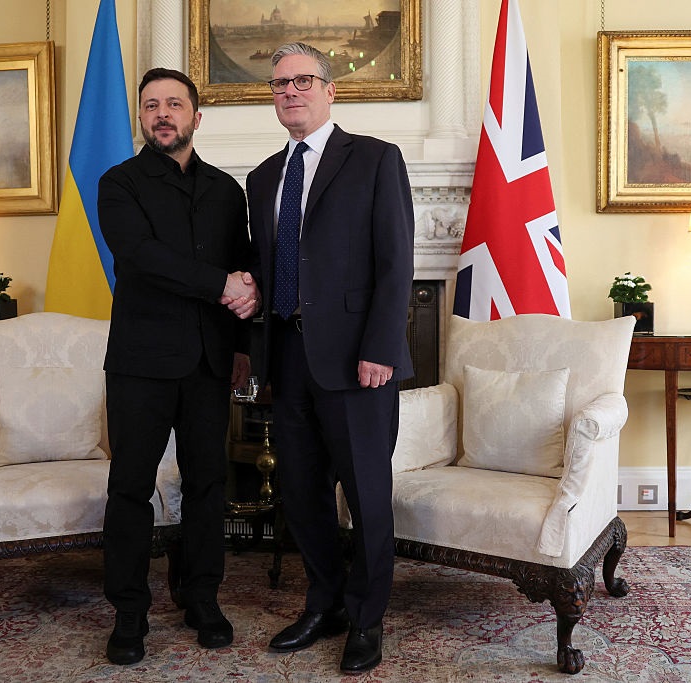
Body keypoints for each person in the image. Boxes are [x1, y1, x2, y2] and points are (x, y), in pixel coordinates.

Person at [234, 41, 415, 674]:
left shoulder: (374, 159)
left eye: (302, 80)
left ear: (330, 90)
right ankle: (325, 603)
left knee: (367, 496)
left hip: (358, 363)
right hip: (287, 358)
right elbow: (268, 268)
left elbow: (396, 263)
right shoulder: (262, 177)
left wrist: (381, 348)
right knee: (302, 493)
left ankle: (366, 618)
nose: (289, 91)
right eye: (279, 84)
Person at [98, 67, 258, 665]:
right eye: (151, 105)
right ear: (142, 118)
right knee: (131, 487)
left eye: (174, 104)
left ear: (196, 116)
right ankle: (129, 611)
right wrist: (222, 284)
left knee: (208, 485)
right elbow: (141, 258)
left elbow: (243, 265)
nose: (162, 114)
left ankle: (202, 598)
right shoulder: (119, 183)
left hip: (210, 362)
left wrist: (242, 345)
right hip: (141, 363)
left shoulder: (227, 191)